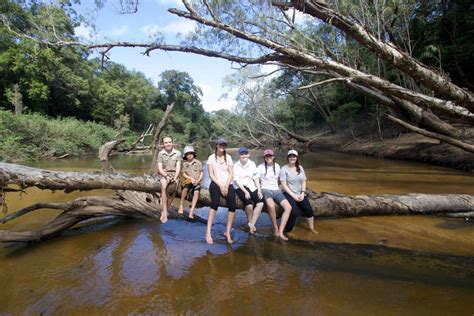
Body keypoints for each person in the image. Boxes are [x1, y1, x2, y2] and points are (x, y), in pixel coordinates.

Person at [257, 148, 293, 240]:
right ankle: (275, 228)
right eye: (266, 156)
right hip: (265, 189)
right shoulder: (260, 167)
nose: (268, 157)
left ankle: (281, 231)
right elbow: (257, 180)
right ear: (264, 157)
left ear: (273, 157)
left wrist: (282, 189)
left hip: (276, 190)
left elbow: (280, 180)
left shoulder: (277, 166)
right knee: (271, 205)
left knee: (288, 207)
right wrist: (259, 190)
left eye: (270, 156)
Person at [206, 137, 236, 244]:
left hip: (228, 183)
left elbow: (231, 173)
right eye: (220, 145)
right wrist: (221, 186)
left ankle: (227, 232)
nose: (222, 147)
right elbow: (211, 175)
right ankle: (208, 232)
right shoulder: (211, 158)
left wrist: (226, 186)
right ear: (216, 146)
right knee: (214, 204)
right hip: (215, 183)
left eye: (224, 145)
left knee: (232, 206)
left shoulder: (228, 158)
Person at [280, 149, 317, 234]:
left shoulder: (300, 168)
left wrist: (303, 193)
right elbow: (284, 186)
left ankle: (311, 228)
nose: (292, 158)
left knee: (309, 210)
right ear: (288, 158)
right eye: (290, 156)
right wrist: (294, 196)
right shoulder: (284, 169)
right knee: (293, 212)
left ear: (297, 158)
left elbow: (303, 181)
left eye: (294, 156)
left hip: (300, 193)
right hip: (288, 193)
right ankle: (288, 230)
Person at [233, 147, 264, 234]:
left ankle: (252, 224)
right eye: (242, 154)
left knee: (260, 203)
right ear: (239, 155)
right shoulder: (236, 166)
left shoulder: (252, 164)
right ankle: (250, 222)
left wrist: (259, 190)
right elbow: (237, 181)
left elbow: (256, 178)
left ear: (248, 154)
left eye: (245, 154)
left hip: (251, 185)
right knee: (249, 205)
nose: (244, 156)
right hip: (240, 186)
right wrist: (245, 192)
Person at [156, 136, 181, 224]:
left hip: (175, 174)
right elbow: (160, 168)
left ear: (172, 142)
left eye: (169, 142)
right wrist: (166, 176)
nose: (168, 144)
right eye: (166, 142)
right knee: (164, 185)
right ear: (163, 144)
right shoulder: (161, 153)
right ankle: (165, 212)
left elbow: (178, 167)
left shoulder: (177, 153)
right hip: (165, 174)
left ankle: (165, 209)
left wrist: (175, 177)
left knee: (175, 187)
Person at [178, 145, 203, 219]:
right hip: (188, 180)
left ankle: (191, 211)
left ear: (194, 154)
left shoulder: (198, 162)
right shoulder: (185, 164)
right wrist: (190, 178)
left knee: (196, 192)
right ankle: (181, 205)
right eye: (187, 154)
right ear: (185, 155)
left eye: (191, 153)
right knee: (185, 189)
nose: (189, 155)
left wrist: (198, 180)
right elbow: (184, 174)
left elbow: (201, 172)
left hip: (197, 181)